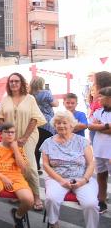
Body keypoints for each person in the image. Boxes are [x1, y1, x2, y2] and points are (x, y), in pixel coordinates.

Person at [0, 72, 46, 211]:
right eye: (11, 81)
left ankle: (36, 196)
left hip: (28, 136)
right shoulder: (6, 99)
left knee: (29, 165)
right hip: (10, 137)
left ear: (21, 83)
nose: (14, 83)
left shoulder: (30, 98)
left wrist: (24, 138)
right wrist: (5, 134)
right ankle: (21, 192)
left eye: (16, 81)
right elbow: (0, 117)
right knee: (16, 165)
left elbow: (35, 119)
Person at [41, 111, 98, 228]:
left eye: (64, 123)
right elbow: (46, 165)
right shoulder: (48, 142)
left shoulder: (82, 141)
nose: (61, 125)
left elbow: (91, 163)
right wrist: (61, 181)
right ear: (54, 125)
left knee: (91, 204)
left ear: (72, 124)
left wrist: (84, 180)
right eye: (58, 123)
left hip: (81, 177)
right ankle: (53, 223)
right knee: (51, 199)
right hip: (57, 178)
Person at [0, 122, 33, 228]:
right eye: (7, 132)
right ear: (0, 134)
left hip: (16, 177)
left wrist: (15, 150)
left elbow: (23, 168)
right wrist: (3, 178)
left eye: (12, 132)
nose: (10, 134)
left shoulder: (19, 149)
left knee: (29, 200)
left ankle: (18, 216)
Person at [30, 76, 59, 175]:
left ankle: (36, 166)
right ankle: (52, 168)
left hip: (35, 122)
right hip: (47, 123)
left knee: (37, 146)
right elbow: (55, 104)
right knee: (49, 146)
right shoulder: (46, 93)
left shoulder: (30, 95)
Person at [89, 86, 111, 214]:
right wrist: (104, 126)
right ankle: (101, 201)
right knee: (101, 176)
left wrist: (99, 126)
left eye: (101, 97)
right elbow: (91, 126)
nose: (98, 100)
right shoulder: (99, 111)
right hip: (99, 150)